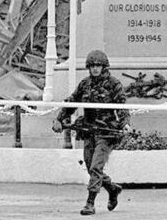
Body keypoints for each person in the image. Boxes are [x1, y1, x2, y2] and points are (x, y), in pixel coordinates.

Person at [52, 49, 128, 215]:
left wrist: (125, 124)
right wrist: (59, 118)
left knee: (95, 167)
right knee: (90, 166)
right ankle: (112, 188)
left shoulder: (113, 84)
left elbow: (122, 106)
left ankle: (90, 203)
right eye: (92, 66)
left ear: (104, 67)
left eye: (98, 65)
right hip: (88, 130)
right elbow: (72, 102)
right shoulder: (85, 84)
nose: (95, 69)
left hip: (106, 133)